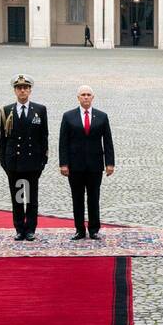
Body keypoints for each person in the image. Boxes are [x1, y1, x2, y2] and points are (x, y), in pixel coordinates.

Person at [58, 85, 116, 240]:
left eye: (88, 94)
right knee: (77, 198)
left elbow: (108, 141)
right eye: (83, 94)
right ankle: (79, 229)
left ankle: (94, 229)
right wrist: (63, 164)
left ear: (93, 97)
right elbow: (63, 142)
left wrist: (110, 163)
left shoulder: (102, 116)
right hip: (75, 166)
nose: (85, 97)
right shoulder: (68, 116)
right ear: (78, 97)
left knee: (93, 197)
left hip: (95, 165)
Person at [0, 73, 48, 241]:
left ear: (30, 90)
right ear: (15, 91)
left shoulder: (39, 110)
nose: (22, 91)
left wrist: (43, 161)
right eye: (19, 88)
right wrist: (4, 162)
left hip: (33, 162)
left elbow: (44, 137)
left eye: (25, 88)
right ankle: (20, 228)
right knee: (19, 198)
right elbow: (3, 139)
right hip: (15, 163)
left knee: (32, 199)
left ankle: (31, 229)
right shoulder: (7, 111)